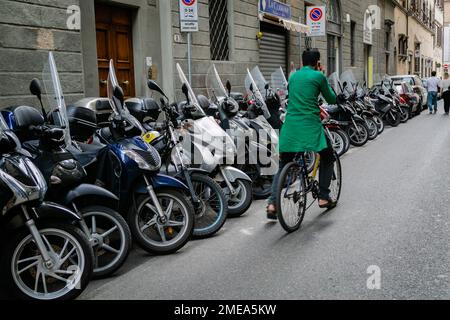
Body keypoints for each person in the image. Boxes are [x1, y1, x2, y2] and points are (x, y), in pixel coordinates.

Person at [266, 50, 343, 219]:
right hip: (310, 126)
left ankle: (272, 203)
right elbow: (330, 98)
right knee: (328, 156)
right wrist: (322, 76)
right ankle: (323, 196)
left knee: (283, 164)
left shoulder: (293, 76)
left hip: (291, 127)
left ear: (302, 62)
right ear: (317, 62)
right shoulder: (318, 76)